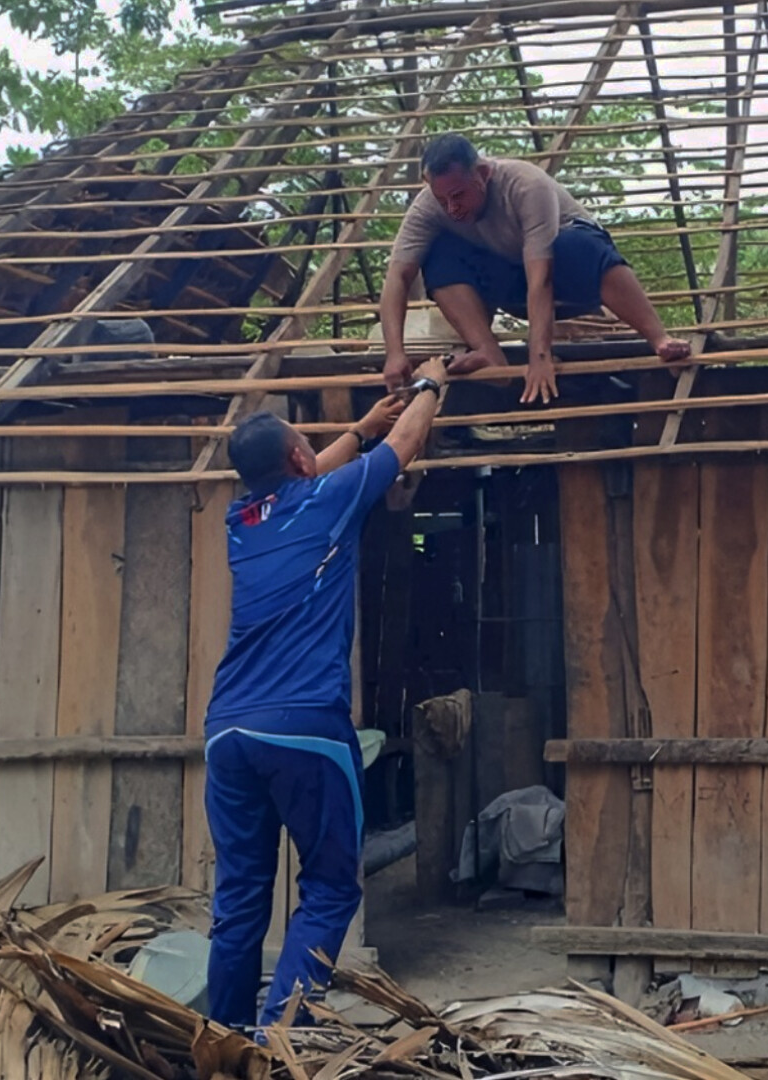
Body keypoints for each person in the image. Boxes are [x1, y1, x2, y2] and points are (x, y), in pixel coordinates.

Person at [202, 358, 448, 1029]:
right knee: (332, 887)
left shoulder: (241, 521)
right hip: (304, 726)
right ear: (296, 458)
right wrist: (431, 384)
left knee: (240, 899)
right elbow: (407, 444)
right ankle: (280, 1038)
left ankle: (225, 1041)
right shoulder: (328, 500)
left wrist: (359, 428)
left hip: (228, 732)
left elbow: (306, 470)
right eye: (304, 445)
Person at [380, 133, 691, 405]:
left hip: (571, 277)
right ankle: (487, 351)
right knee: (438, 256)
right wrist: (395, 353)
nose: (452, 208)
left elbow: (541, 277)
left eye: (459, 196)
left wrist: (539, 356)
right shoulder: (429, 207)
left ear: (483, 174)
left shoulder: (525, 185)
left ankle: (658, 338)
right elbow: (397, 276)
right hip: (515, 288)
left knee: (577, 246)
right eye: (442, 199)